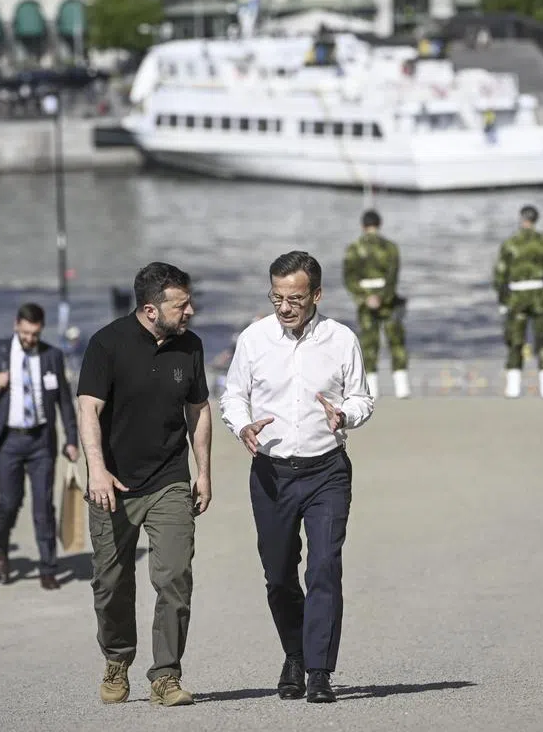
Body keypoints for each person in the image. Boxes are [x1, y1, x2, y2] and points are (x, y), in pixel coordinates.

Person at [220, 250, 374, 704]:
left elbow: (363, 398)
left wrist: (344, 414)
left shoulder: (341, 339)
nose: (285, 307)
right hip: (271, 474)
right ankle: (294, 653)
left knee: (325, 567)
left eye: (295, 298)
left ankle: (320, 671)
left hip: (326, 470)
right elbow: (232, 396)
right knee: (279, 575)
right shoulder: (254, 339)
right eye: (277, 297)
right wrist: (241, 424)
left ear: (316, 296)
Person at [76, 262, 212, 707]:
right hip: (112, 484)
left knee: (174, 576)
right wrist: (96, 470)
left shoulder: (190, 346)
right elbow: (88, 410)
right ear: (151, 310)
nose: (190, 310)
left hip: (170, 479)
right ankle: (117, 659)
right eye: (181, 304)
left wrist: (203, 471)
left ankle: (166, 676)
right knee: (111, 583)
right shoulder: (106, 344)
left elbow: (199, 410)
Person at [0, 303, 80, 589]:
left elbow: (65, 402)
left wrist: (71, 439)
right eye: (26, 332)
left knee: (43, 505)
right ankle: (0, 547)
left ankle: (48, 567)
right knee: (10, 501)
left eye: (35, 334)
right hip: (7, 440)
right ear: (16, 324)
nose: (30, 339)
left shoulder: (52, 356)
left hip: (41, 440)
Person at [492, 205, 543, 399]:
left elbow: (499, 274)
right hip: (539, 295)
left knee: (515, 341)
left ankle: (513, 387)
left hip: (517, 296)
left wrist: (502, 299)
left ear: (521, 219)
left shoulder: (511, 244)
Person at [342, 209, 409, 399]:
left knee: (369, 344)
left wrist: (365, 298)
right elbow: (392, 277)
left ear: (363, 226)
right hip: (389, 301)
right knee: (396, 342)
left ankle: (372, 389)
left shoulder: (354, 248)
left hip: (365, 303)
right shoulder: (390, 248)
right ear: (380, 224)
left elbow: (349, 278)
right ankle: (402, 387)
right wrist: (382, 297)